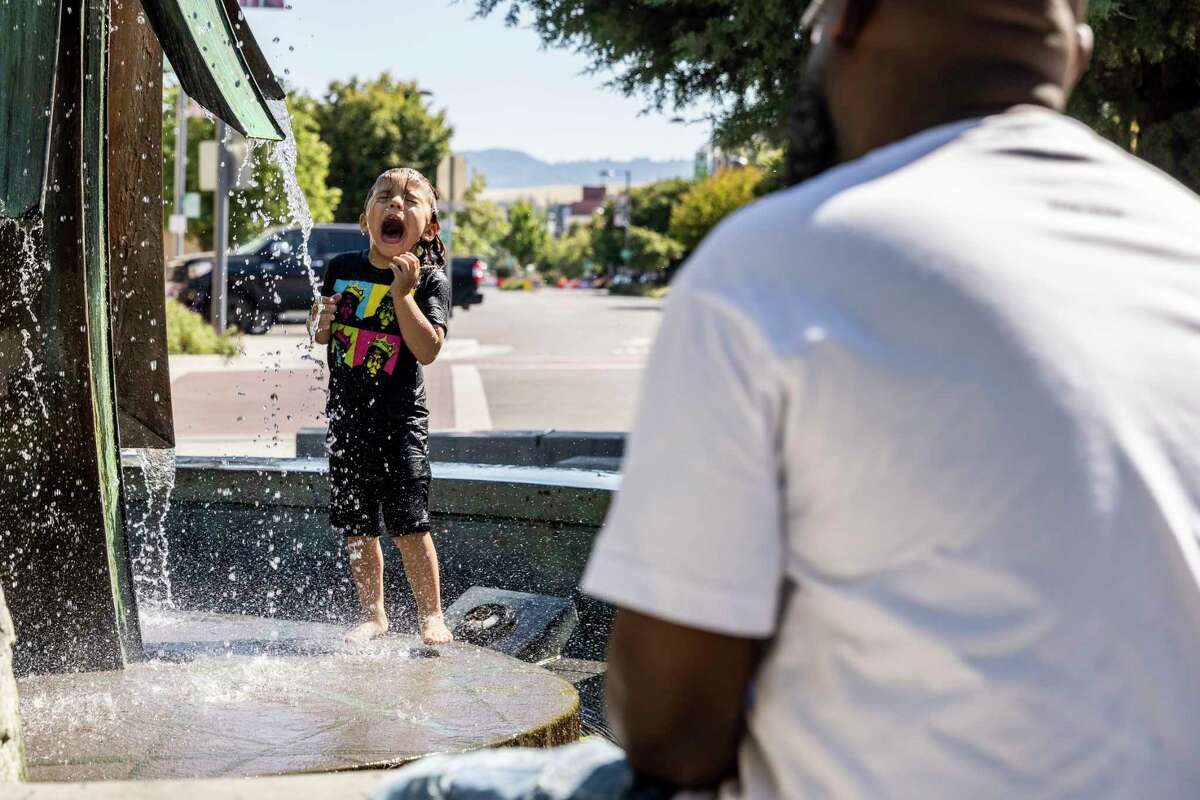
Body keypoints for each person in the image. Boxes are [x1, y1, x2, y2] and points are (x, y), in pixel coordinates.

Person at [379, 0, 1200, 796]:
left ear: (847, 18)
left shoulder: (778, 263)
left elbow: (670, 732)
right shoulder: (1184, 240)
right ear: (1077, 57)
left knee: (435, 788)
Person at [312, 167, 453, 646]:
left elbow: (428, 349)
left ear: (429, 227)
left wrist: (401, 294)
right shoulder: (341, 269)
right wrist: (321, 321)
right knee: (358, 525)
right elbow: (324, 337)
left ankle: (431, 614)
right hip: (346, 417)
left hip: (399, 422)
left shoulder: (430, 281)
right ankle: (373, 614)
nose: (395, 205)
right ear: (365, 219)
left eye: (410, 200)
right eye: (384, 197)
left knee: (410, 525)